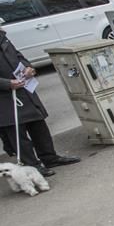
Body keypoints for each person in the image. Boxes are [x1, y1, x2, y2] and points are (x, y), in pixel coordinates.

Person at [1, 25, 80, 175]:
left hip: (23, 89)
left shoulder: (3, 37)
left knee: (38, 126)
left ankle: (49, 157)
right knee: (18, 134)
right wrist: (7, 84)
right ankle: (32, 166)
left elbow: (18, 56)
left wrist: (27, 67)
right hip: (5, 97)